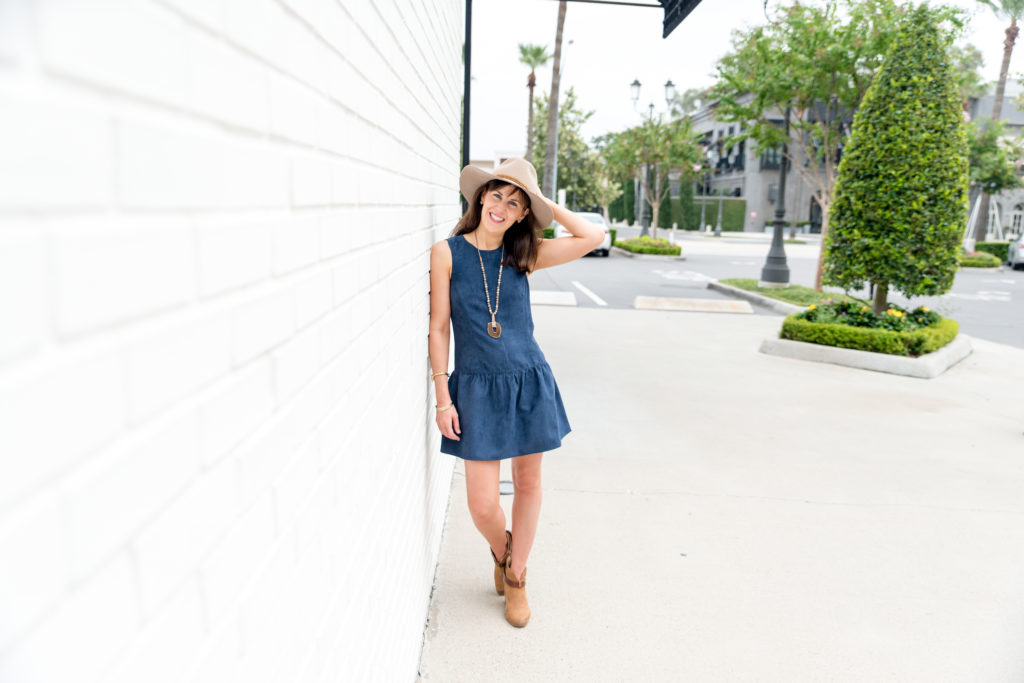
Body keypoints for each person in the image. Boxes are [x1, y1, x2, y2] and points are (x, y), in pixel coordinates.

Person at [427, 157, 605, 627]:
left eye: (515, 202)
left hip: (528, 381)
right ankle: (505, 550)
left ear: (524, 213)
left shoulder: (525, 253)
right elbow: (439, 329)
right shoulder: (447, 253)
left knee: (528, 484)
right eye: (497, 195)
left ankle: (518, 576)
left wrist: (546, 203)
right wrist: (442, 396)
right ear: (480, 197)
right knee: (482, 503)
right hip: (475, 390)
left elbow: (593, 237)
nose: (502, 207)